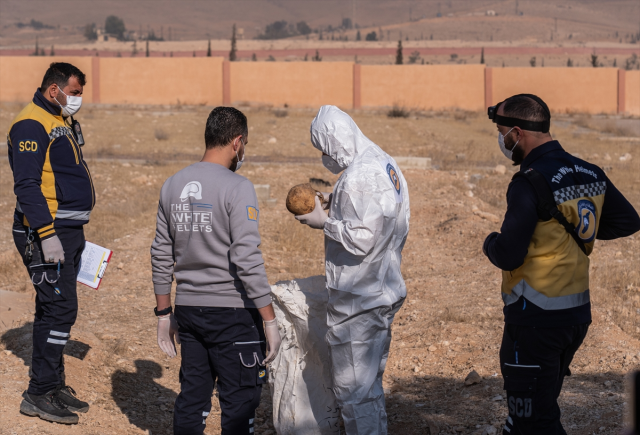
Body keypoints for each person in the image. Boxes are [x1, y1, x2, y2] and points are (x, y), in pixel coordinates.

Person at [483, 94, 640, 434]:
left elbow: (508, 254)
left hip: (535, 319)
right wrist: (580, 233)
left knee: (533, 424)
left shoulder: (529, 181)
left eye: (501, 131)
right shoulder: (589, 172)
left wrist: (489, 243)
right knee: (541, 405)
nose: (501, 140)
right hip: (575, 318)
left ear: (517, 132)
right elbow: (628, 220)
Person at [151, 106, 282, 435]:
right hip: (233, 315)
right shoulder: (238, 188)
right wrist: (269, 320)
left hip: (189, 312)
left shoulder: (171, 185)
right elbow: (246, 258)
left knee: (193, 399)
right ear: (237, 142)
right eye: (245, 144)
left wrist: (164, 314)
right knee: (239, 404)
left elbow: (161, 253)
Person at [295, 105, 410, 435]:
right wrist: (337, 200)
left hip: (359, 301)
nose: (325, 158)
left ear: (335, 141)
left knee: (354, 394)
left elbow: (362, 239)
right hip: (382, 288)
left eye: (324, 149)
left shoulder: (360, 176)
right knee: (369, 388)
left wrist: (326, 223)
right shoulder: (383, 162)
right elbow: (386, 216)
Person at [8, 62, 94, 425]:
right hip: (46, 233)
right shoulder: (31, 123)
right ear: (54, 89)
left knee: (53, 308)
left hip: (67, 231)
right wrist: (46, 235)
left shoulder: (60, 121)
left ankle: (53, 383)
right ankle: (38, 393)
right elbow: (26, 185)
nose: (77, 99)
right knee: (60, 310)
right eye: (74, 92)